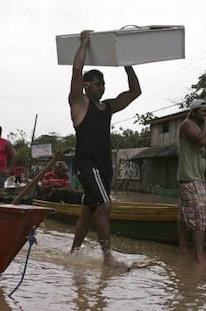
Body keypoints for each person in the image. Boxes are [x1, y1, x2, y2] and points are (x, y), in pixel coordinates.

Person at [68, 30, 141, 266]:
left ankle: (73, 254)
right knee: (105, 205)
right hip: (86, 166)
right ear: (87, 85)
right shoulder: (79, 103)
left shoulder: (107, 107)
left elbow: (134, 92)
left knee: (88, 211)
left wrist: (127, 64)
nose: (102, 88)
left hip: (104, 168)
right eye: (98, 84)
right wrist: (84, 44)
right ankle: (107, 257)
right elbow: (76, 72)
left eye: (104, 84)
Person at [177, 99, 206, 266]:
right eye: (203, 112)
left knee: (184, 217)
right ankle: (199, 258)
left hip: (195, 177)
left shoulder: (197, 125)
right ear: (193, 112)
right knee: (200, 216)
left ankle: (183, 252)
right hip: (190, 178)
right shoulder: (187, 124)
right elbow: (201, 140)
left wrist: (205, 123)